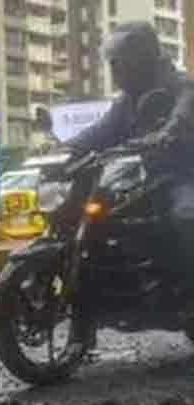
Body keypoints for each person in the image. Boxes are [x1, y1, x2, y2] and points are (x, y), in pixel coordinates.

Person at [63, 21, 194, 330]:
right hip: (152, 178)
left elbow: (183, 117)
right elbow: (101, 131)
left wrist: (167, 133)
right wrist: (67, 148)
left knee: (186, 216)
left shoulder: (181, 88)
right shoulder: (127, 100)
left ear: (142, 59)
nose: (114, 70)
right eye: (111, 63)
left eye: (119, 63)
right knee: (108, 215)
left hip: (185, 174)